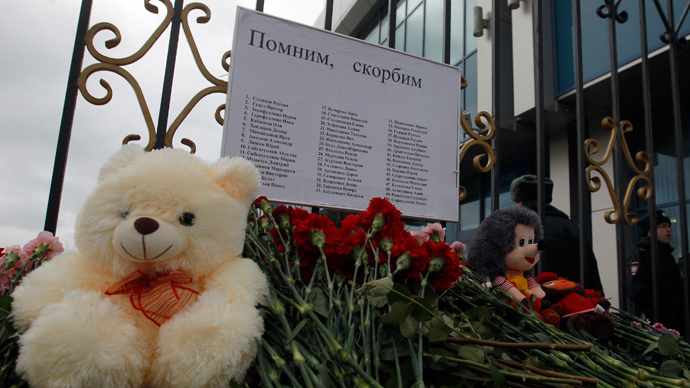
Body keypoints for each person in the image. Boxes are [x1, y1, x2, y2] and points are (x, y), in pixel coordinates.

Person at [510, 174, 604, 293]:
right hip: (571, 304)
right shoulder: (571, 227)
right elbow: (591, 274)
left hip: (528, 306)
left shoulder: (514, 228)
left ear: (520, 201)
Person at [626, 210, 685, 335]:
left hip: (677, 323)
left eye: (669, 226)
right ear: (650, 232)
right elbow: (637, 291)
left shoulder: (666, 255)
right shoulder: (641, 255)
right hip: (658, 326)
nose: (669, 230)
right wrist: (659, 316)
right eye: (663, 226)